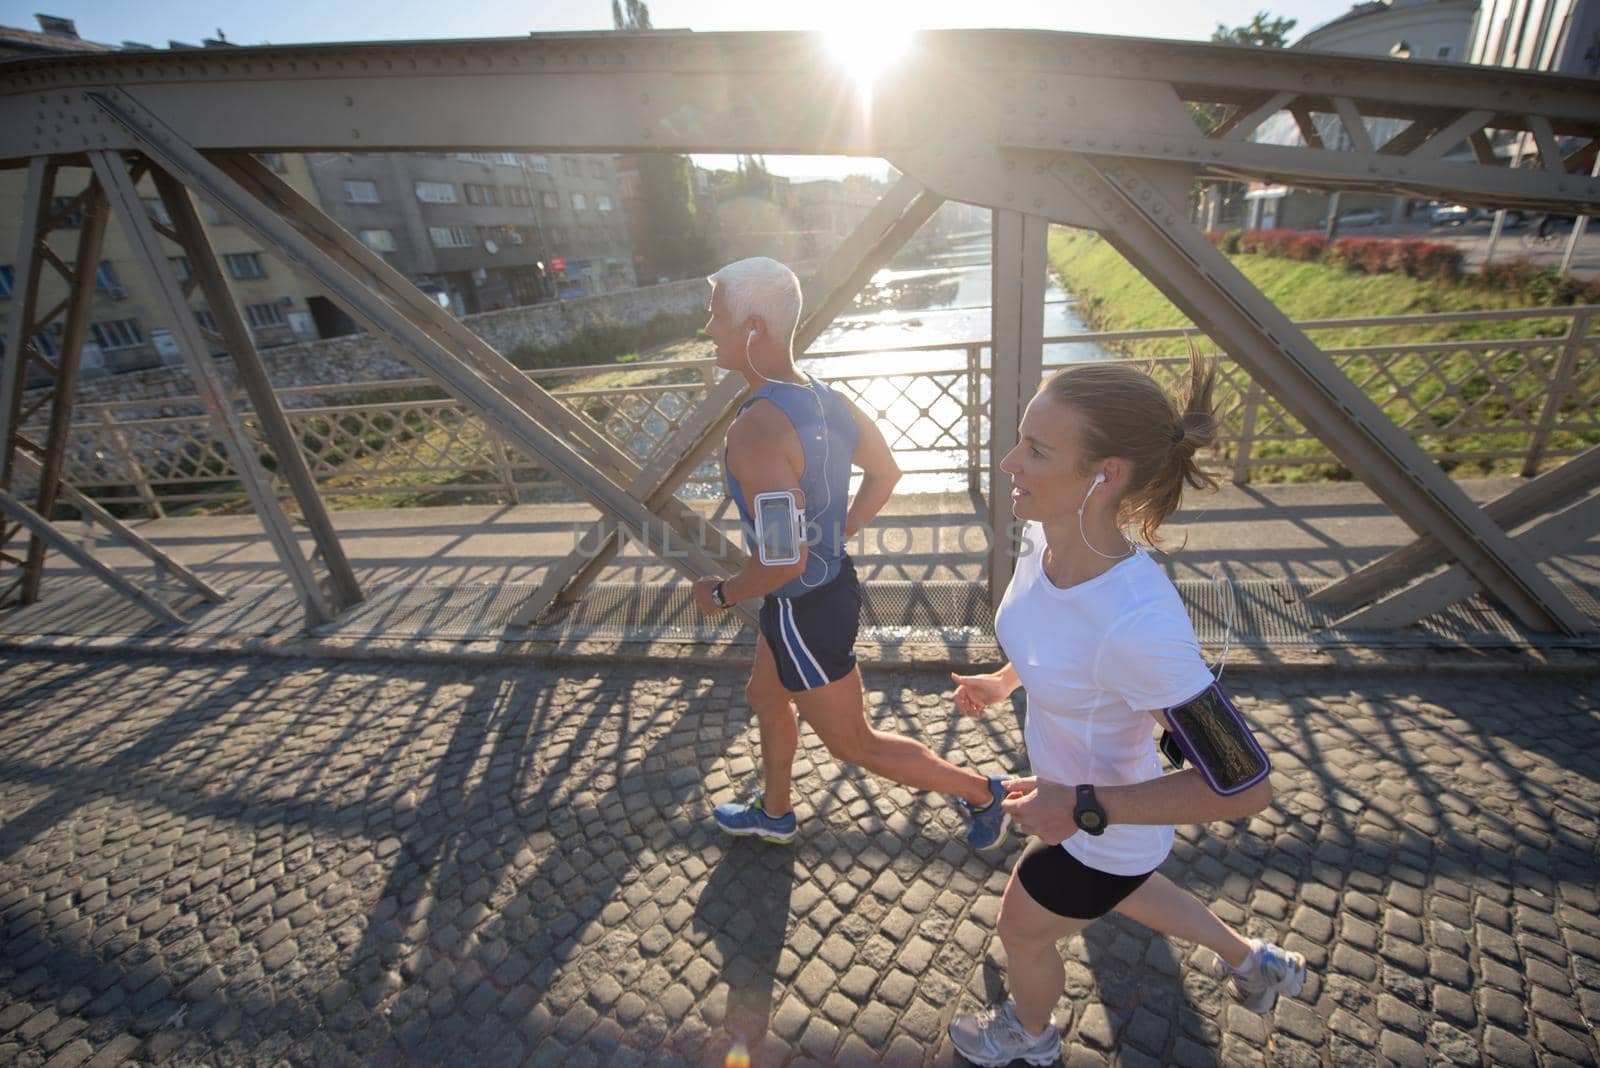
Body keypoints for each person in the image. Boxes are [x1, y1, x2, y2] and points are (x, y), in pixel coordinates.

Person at [945, 356, 1308, 1066]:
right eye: (1021, 439)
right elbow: (1060, 639)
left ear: (1104, 474)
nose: (1009, 461)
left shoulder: (1139, 624)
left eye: (1037, 451)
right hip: (1090, 816)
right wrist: (1005, 681)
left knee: (1021, 926)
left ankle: (1032, 1038)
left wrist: (1078, 806)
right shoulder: (1044, 532)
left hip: (1102, 822)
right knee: (1131, 887)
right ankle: (1249, 960)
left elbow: (1244, 785)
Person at [691, 256, 1010, 849]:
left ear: (753, 327)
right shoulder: (826, 399)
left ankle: (983, 791)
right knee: (765, 693)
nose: (708, 328)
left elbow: (781, 562)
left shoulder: (756, 428)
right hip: (824, 588)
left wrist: (719, 594)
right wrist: (835, 536)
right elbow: (885, 473)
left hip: (799, 608)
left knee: (855, 743)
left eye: (715, 316)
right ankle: (777, 809)